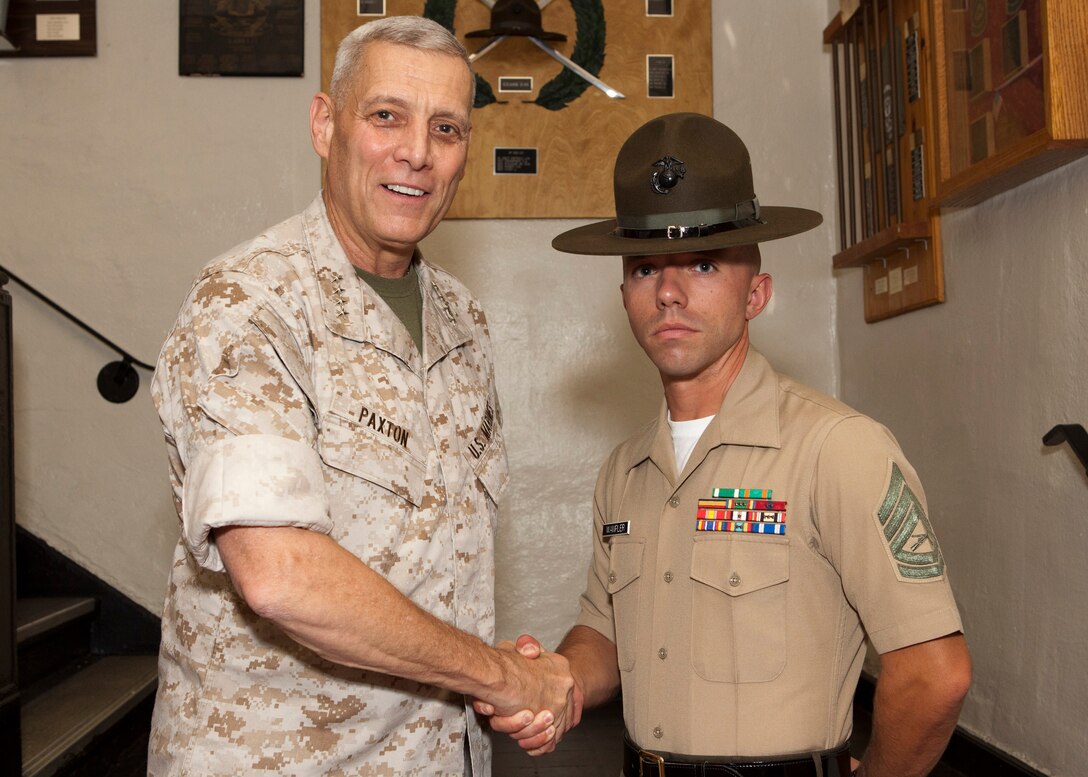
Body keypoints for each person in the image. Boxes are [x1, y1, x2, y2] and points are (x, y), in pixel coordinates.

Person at [480, 113, 972, 777]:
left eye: (704, 263)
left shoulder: (838, 449)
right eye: (646, 267)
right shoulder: (624, 471)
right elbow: (607, 629)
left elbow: (934, 674)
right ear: (624, 294)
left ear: (756, 294)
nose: (670, 293)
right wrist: (559, 677)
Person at [148, 16, 574, 776]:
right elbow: (282, 574)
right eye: (386, 116)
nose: (417, 151)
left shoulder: (463, 322)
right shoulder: (251, 302)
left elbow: (433, 565)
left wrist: (520, 676)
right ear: (325, 124)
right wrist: (504, 675)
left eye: (446, 128)